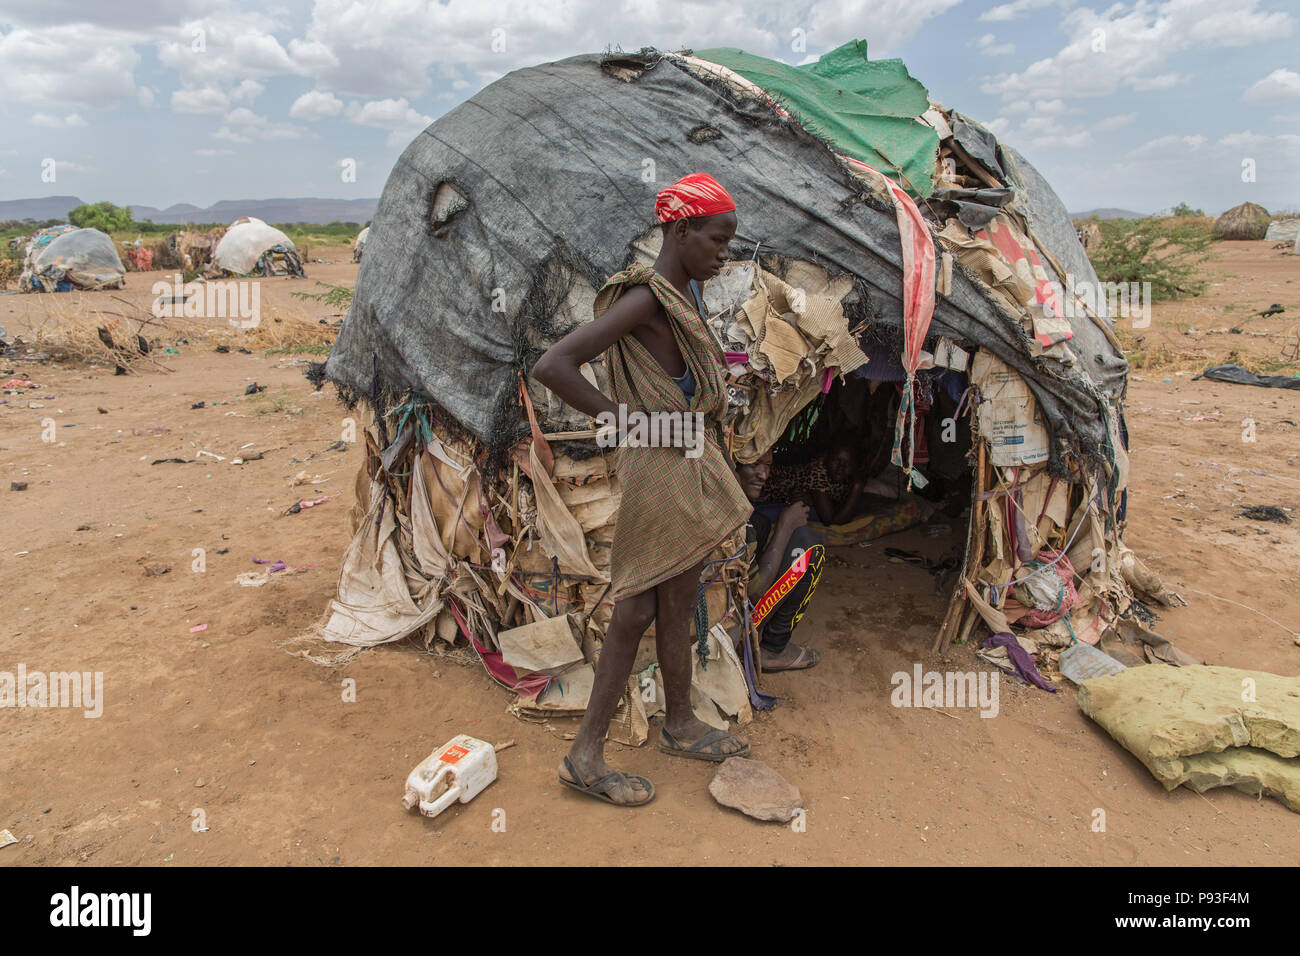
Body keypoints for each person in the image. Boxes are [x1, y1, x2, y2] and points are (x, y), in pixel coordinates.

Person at [531, 173, 753, 808]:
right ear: (681, 231)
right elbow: (554, 366)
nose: (724, 252)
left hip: (681, 453)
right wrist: (625, 421)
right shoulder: (648, 298)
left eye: (729, 242)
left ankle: (679, 722)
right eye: (717, 239)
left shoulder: (681, 295)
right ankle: (585, 754)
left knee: (678, 596)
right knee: (635, 606)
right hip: (658, 462)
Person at [735, 450, 825, 672]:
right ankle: (771, 649)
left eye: (767, 466)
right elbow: (755, 591)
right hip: (731, 628)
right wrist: (785, 526)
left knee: (761, 523)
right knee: (809, 543)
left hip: (724, 616)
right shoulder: (732, 523)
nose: (764, 475)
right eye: (754, 464)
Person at [760, 439, 866, 525]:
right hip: (764, 485)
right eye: (836, 461)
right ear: (826, 458)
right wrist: (857, 489)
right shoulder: (817, 474)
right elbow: (830, 520)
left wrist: (815, 500)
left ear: (855, 466)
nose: (840, 468)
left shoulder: (845, 477)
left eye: (847, 464)